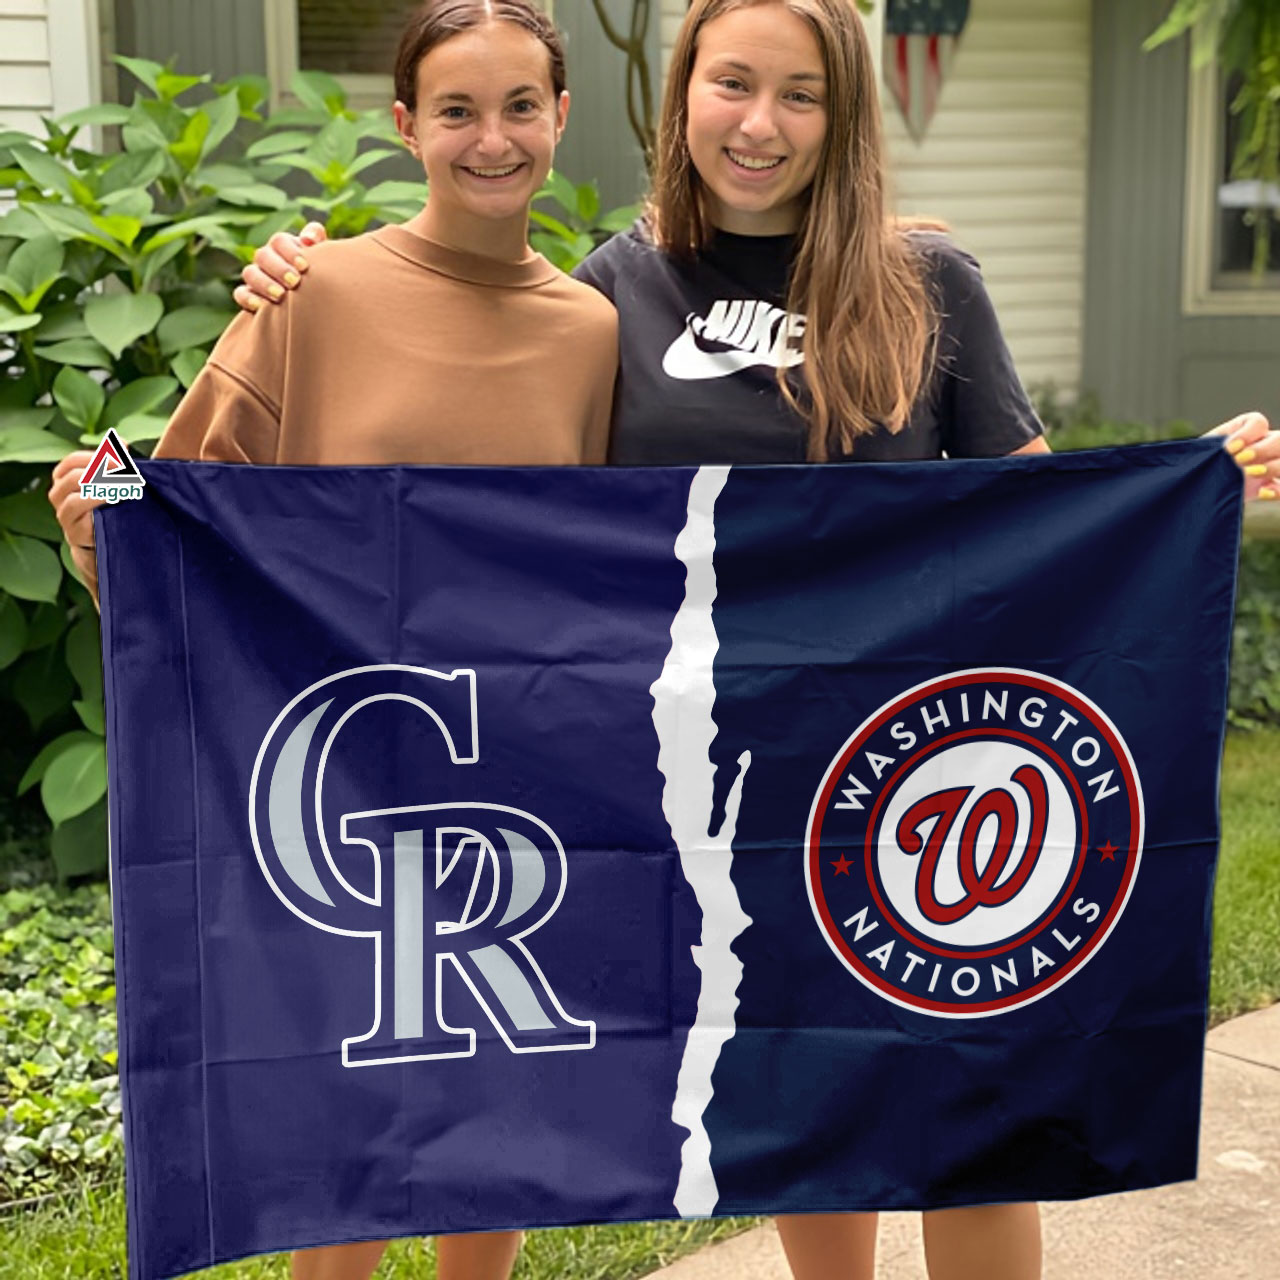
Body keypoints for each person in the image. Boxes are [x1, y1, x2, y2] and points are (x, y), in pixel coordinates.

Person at [229, 2, 1280, 1277]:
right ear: (683, 97)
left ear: (843, 117)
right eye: (732, 83)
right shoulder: (614, 291)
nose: (760, 122)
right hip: (712, 783)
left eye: (800, 93)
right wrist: (302, 284)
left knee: (963, 1109)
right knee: (808, 1100)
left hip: (909, 772)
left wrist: (1179, 492)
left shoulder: (924, 282)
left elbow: (1035, 522)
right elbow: (521, 501)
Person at [47, 4, 617, 1279]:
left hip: (509, 781)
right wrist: (97, 533)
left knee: (494, 1106)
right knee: (347, 1117)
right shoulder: (317, 290)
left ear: (560, 118)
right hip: (331, 785)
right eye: (456, 111)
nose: (491, 139)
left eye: (520, 107)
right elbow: (174, 509)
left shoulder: (591, 331)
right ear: (403, 123)